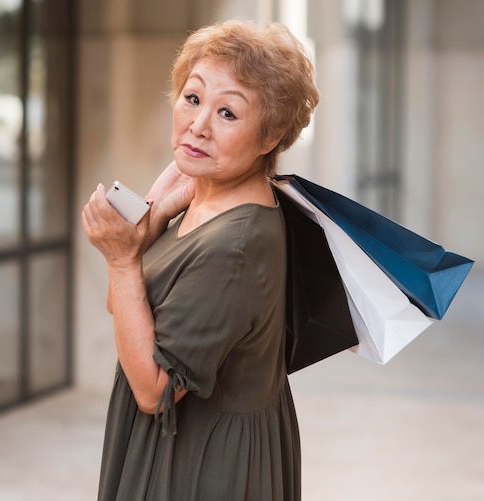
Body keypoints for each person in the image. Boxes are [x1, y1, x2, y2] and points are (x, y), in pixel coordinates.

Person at [82, 19, 319, 501]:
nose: (198, 124)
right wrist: (146, 231)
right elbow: (125, 309)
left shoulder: (234, 246)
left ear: (270, 136)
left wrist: (123, 260)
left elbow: (153, 389)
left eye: (228, 113)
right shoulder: (202, 196)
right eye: (193, 98)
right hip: (192, 449)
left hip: (203, 466)